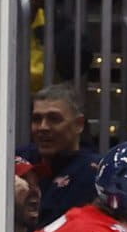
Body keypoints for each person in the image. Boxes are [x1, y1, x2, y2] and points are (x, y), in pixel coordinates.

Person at [19, 85, 98, 219]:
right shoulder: (16, 158)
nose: (43, 127)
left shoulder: (94, 174)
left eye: (54, 119)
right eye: (37, 119)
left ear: (79, 124)